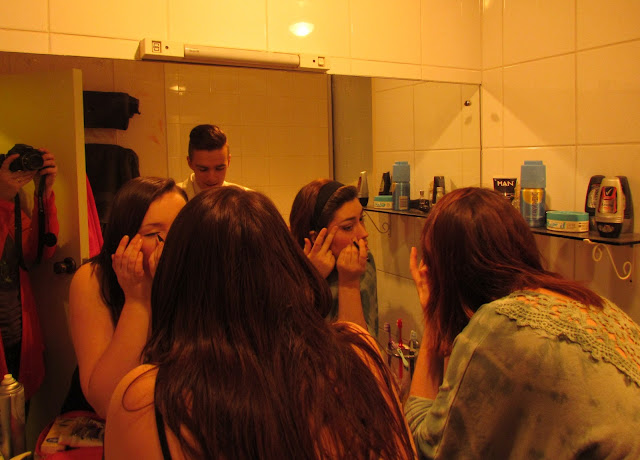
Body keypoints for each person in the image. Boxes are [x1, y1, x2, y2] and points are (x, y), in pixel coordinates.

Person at [105, 186, 415, 459]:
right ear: (287, 261)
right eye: (348, 225)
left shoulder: (143, 399)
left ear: (176, 277)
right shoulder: (360, 354)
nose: (362, 234)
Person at [405, 187, 640, 459]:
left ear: (449, 274)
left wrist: (433, 317)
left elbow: (427, 445)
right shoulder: (591, 302)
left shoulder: (498, 326)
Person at [67, 177, 187, 418]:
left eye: (180, 230)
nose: (171, 244)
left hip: (166, 413)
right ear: (123, 238)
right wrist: (137, 299)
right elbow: (105, 402)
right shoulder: (93, 279)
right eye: (154, 233)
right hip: (104, 420)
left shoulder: (193, 271)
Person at [0, 146, 58, 402]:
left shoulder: (11, 210)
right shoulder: (4, 205)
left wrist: (43, 194)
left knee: (18, 416)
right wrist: (3, 198)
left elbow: (38, 252)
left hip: (17, 336)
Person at [290, 179, 377, 337]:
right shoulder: (287, 276)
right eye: (348, 227)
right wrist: (311, 281)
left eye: (361, 219)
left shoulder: (362, 263)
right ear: (317, 238)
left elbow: (362, 347)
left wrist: (349, 282)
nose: (364, 233)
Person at [178, 124, 247, 199]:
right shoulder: (171, 199)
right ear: (190, 163)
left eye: (219, 168)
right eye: (203, 169)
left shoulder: (245, 199)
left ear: (228, 161)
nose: (211, 178)